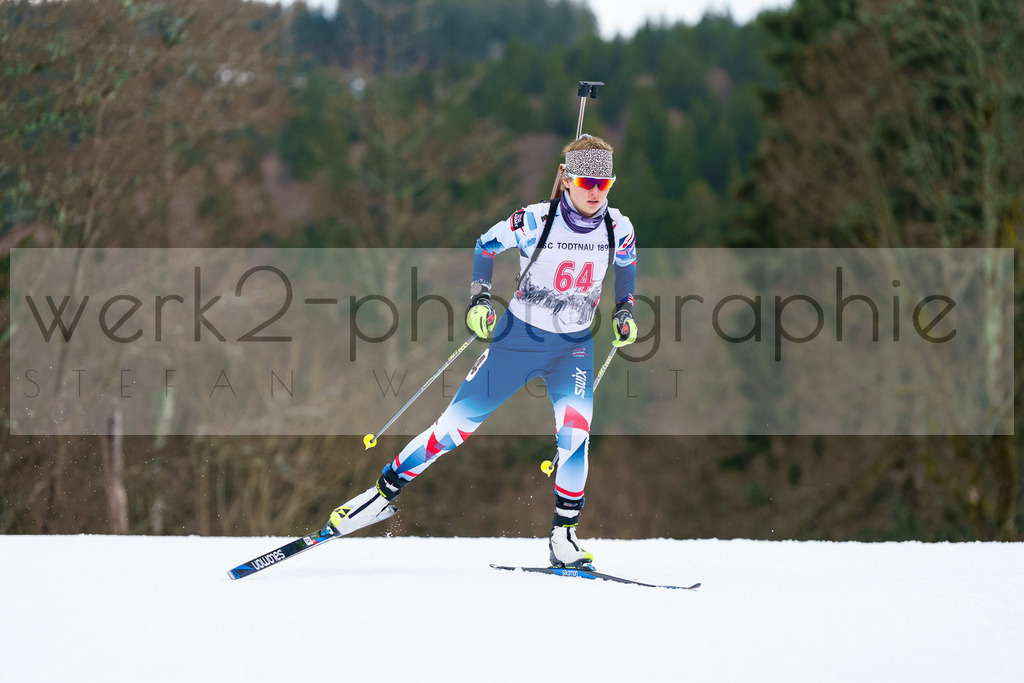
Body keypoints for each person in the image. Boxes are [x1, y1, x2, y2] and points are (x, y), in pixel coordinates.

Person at [327, 134, 637, 569]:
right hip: (518, 340)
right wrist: (479, 299)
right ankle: (379, 496)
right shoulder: (536, 220)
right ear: (566, 180)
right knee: (453, 429)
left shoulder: (617, 226)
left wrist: (625, 311)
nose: (594, 192)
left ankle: (564, 535)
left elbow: (626, 266)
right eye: (586, 180)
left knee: (575, 435)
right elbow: (486, 245)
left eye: (603, 185)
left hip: (573, 348)